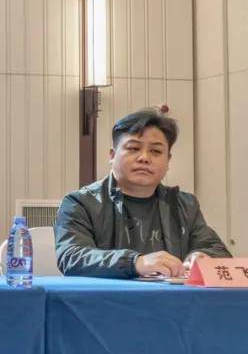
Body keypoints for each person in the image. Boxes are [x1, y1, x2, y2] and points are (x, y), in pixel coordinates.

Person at [55, 108, 231, 278]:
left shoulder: (184, 205)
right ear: (112, 155)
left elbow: (216, 249)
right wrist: (135, 263)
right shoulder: (80, 203)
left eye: (156, 151)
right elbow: (71, 256)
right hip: (109, 297)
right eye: (133, 148)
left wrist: (202, 257)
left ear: (168, 160)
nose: (144, 158)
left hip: (173, 298)